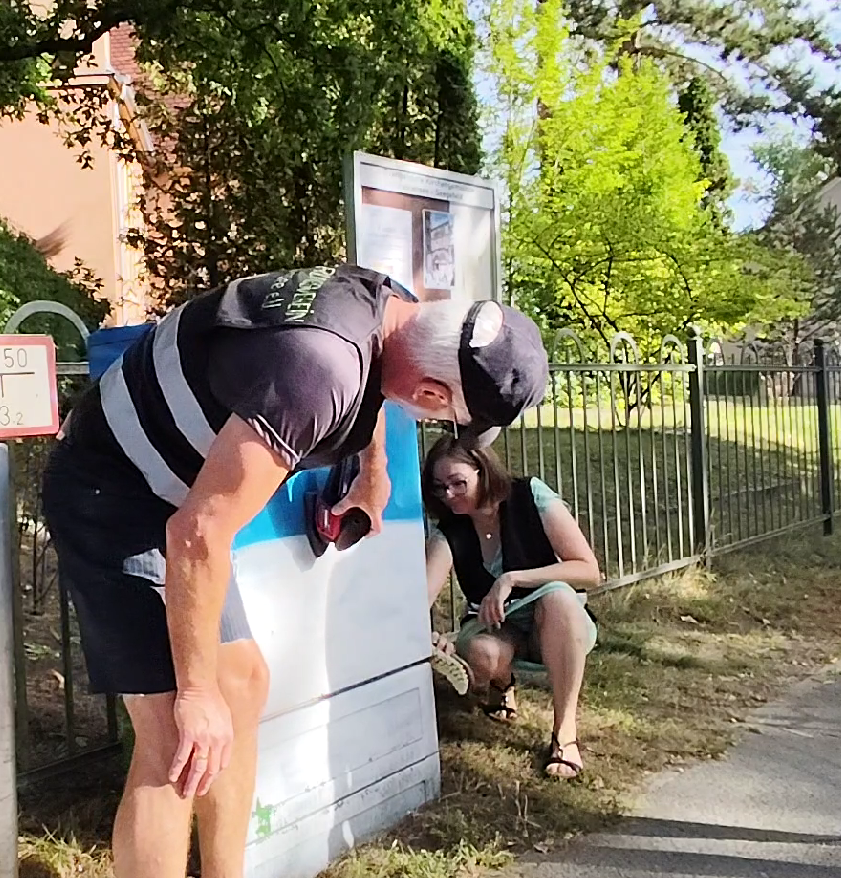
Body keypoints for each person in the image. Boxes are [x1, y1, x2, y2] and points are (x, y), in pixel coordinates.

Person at [39, 264, 548, 878]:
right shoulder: (317, 368)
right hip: (113, 491)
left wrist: (373, 473)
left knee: (242, 685)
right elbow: (198, 535)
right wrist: (195, 693)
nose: (435, 423)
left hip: (173, 494)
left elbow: (383, 377)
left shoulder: (388, 307)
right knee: (177, 735)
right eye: (444, 418)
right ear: (435, 396)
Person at [422, 435, 600, 780]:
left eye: (458, 483)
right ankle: (501, 684)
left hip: (556, 617)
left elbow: (589, 571)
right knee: (481, 653)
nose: (449, 495)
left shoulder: (529, 495)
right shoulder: (449, 530)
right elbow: (421, 598)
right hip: (496, 625)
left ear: (483, 470)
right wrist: (428, 635)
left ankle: (565, 733)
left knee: (558, 598)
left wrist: (512, 579)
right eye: (439, 487)